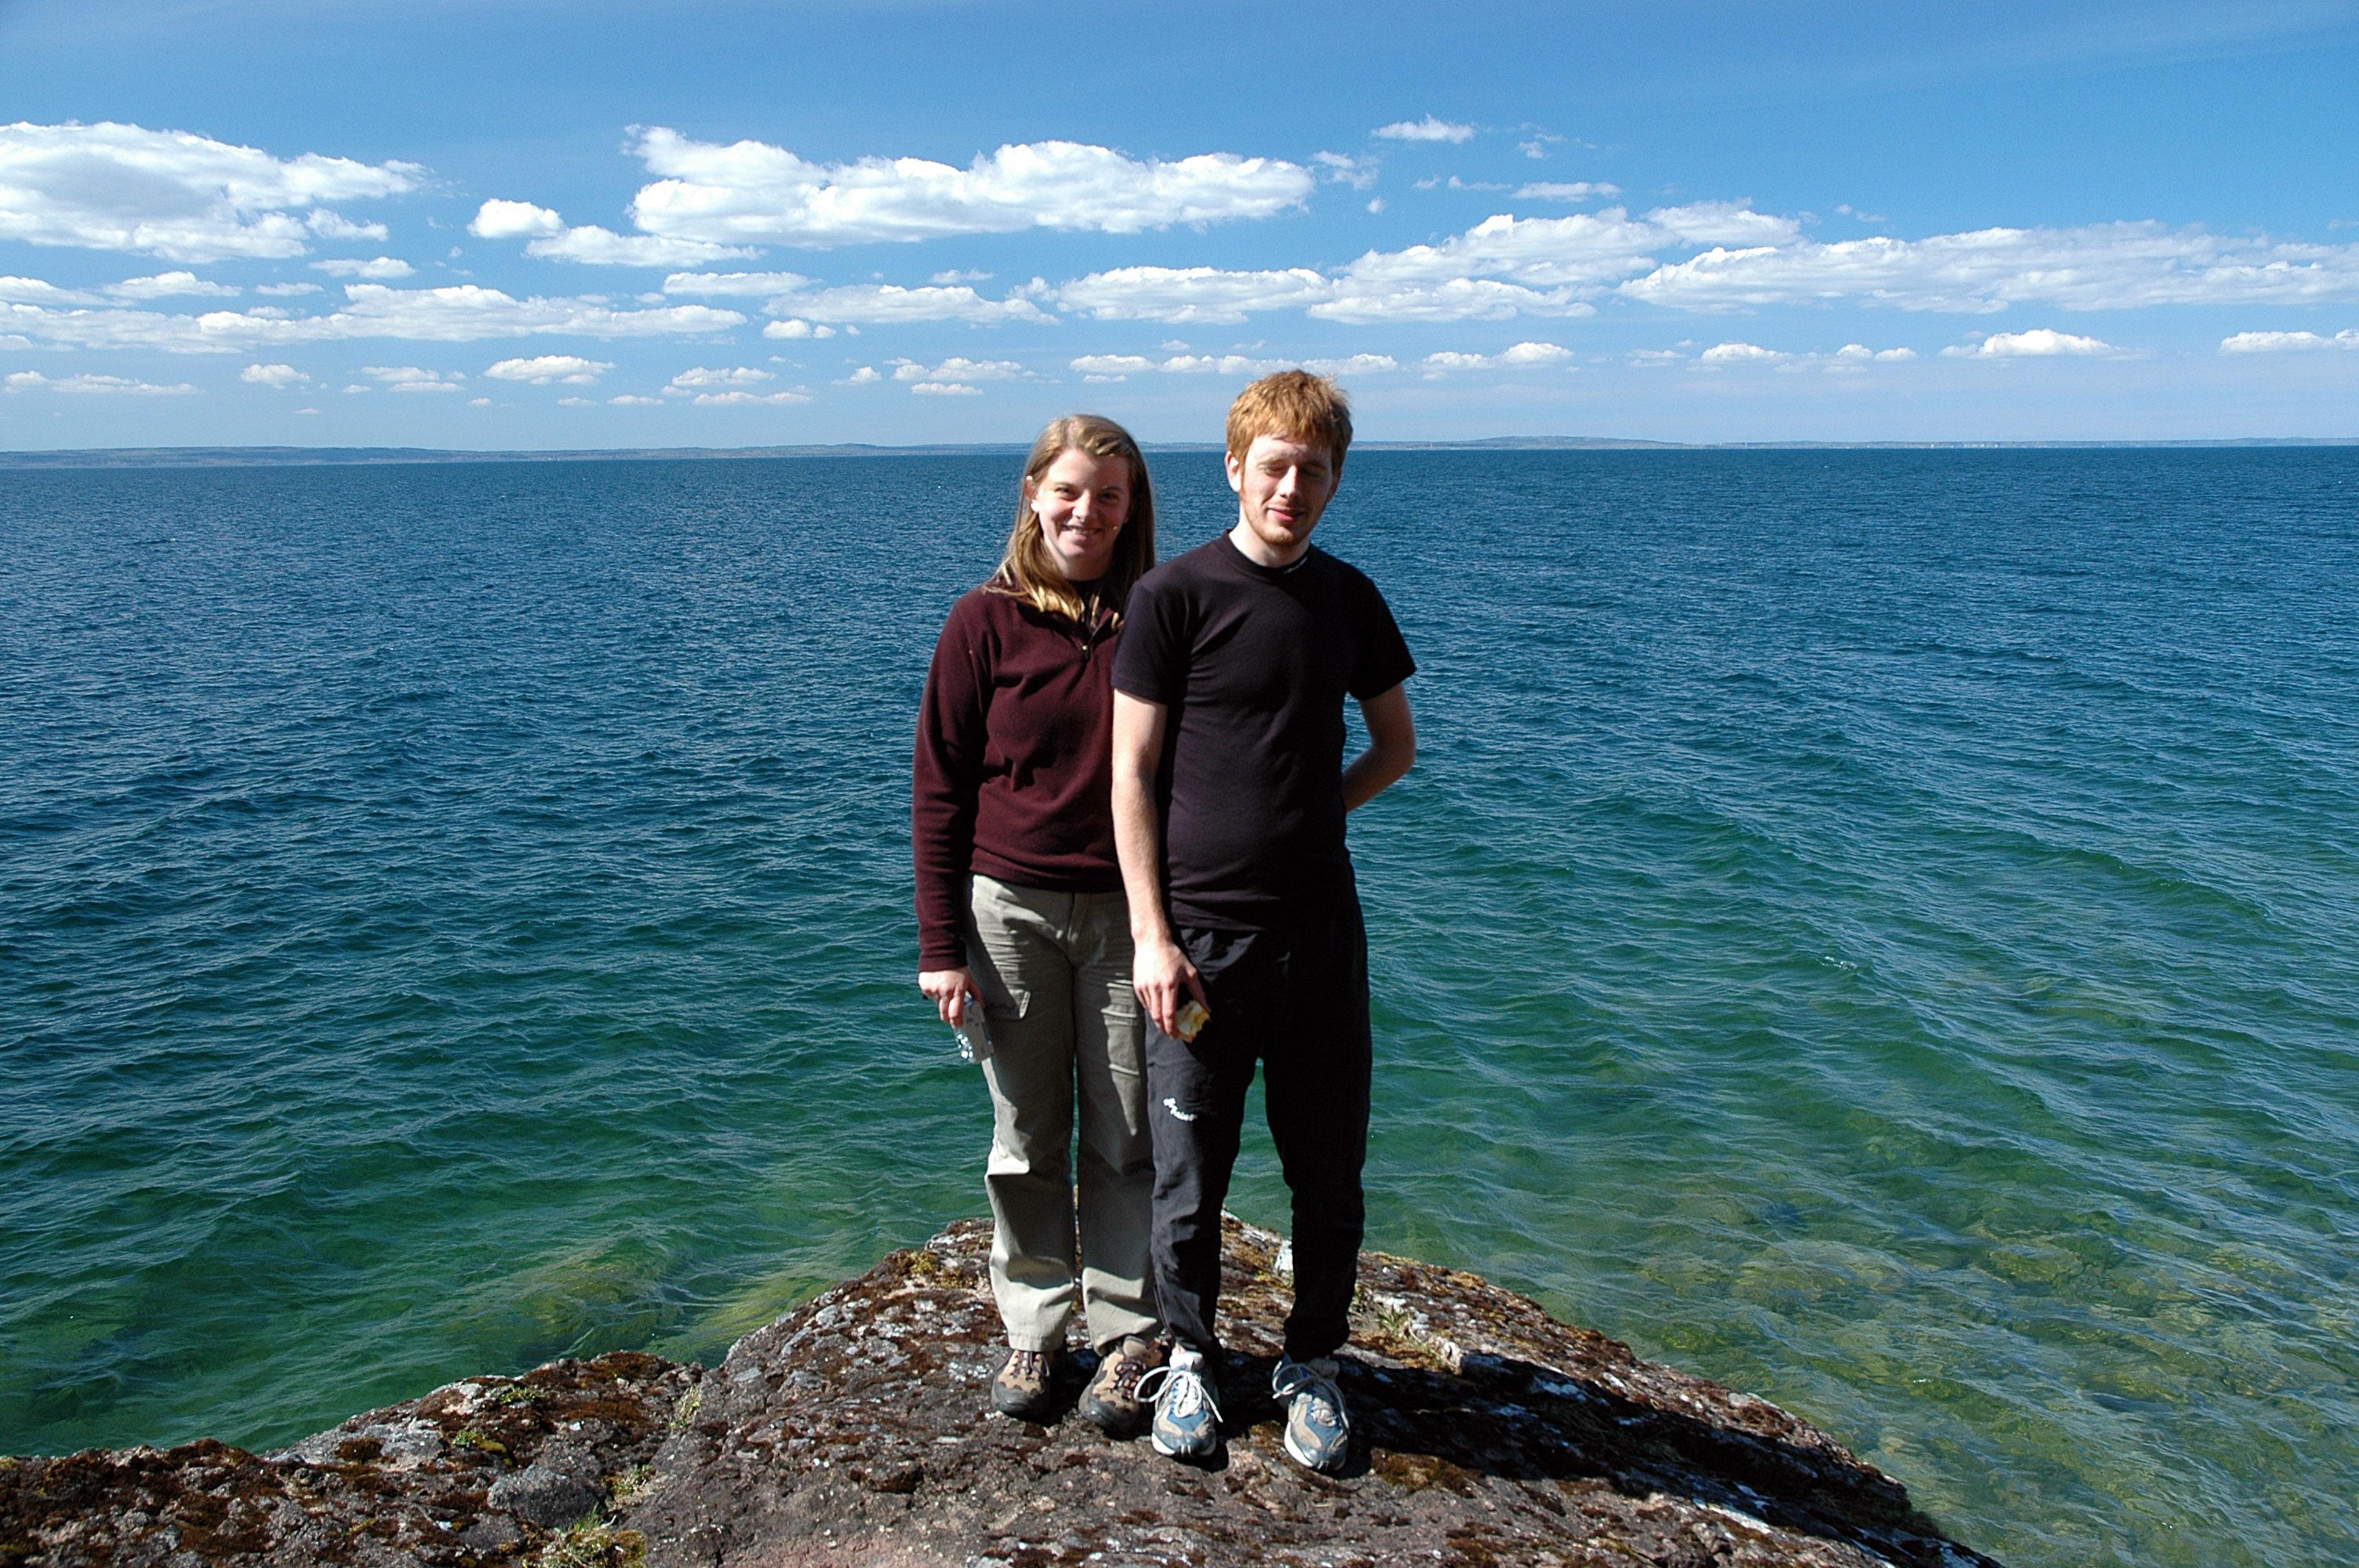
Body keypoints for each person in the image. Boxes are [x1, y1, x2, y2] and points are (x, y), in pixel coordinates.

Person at [1110, 371, 1416, 1472]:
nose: (1292, 487)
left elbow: (1395, 746)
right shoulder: (1174, 595)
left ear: (1336, 481)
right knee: (1190, 1171)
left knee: (1328, 1171)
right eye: (1274, 466)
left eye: (1314, 471)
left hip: (1320, 938)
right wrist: (1152, 936)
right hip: (1199, 946)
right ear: (1236, 468)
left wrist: (1308, 815)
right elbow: (1129, 774)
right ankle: (1192, 1356)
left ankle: (1313, 1362)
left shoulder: (1349, 598)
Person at [913, 415, 1167, 1433]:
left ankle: (1129, 1330)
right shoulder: (982, 621)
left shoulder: (1158, 615)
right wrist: (941, 948)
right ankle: (1035, 1325)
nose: (1086, 512)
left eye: (1109, 496)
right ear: (1032, 493)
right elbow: (940, 790)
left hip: (1126, 916)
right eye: (1068, 490)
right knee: (1024, 1136)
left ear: (1131, 509)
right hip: (1006, 915)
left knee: (1128, 1132)